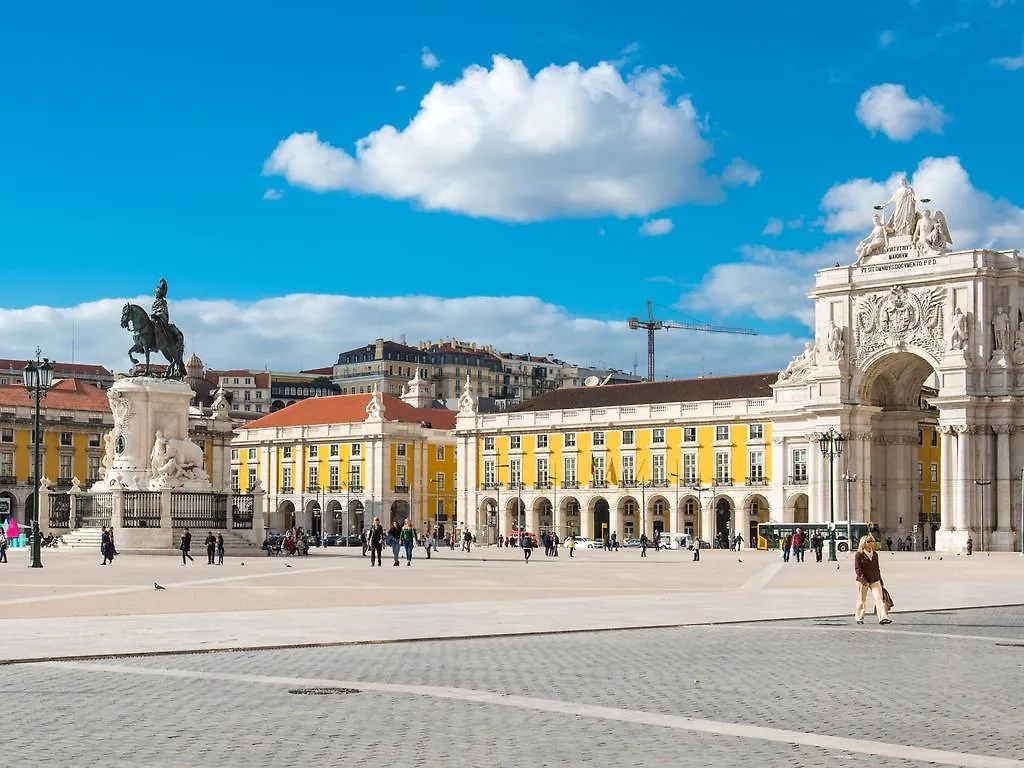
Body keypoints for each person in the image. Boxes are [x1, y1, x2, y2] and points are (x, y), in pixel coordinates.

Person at [854, 535, 891, 625]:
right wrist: (863, 580)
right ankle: (859, 618)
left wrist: (880, 580)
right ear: (863, 543)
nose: (871, 543)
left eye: (872, 541)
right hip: (863, 581)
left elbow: (877, 568)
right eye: (868, 541)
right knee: (861, 600)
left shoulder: (875, 554)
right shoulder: (859, 555)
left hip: (875, 579)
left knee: (879, 598)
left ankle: (883, 618)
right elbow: (858, 569)